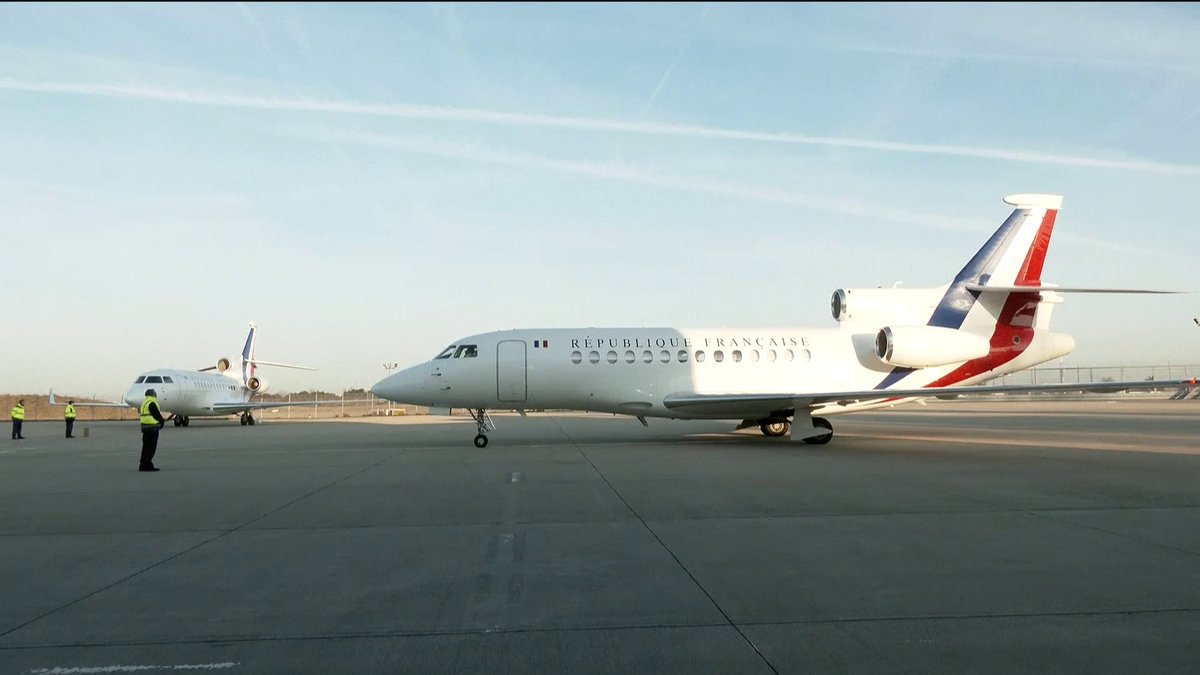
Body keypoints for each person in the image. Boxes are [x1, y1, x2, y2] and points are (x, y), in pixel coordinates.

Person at [138, 389, 165, 472]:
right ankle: (148, 465)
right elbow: (156, 414)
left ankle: (142, 465)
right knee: (151, 448)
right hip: (152, 428)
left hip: (145, 428)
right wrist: (162, 421)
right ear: (153, 395)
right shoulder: (152, 403)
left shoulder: (144, 403)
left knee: (145, 447)